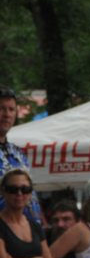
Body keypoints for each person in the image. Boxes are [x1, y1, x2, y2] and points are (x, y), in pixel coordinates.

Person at [0, 168, 55, 258]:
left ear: (30, 193)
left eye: (25, 189)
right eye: (13, 189)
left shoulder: (35, 226)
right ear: (3, 191)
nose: (19, 193)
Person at [0, 86, 42, 225]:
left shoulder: (17, 152)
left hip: (28, 229)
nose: (7, 114)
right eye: (1, 108)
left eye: (11, 109)